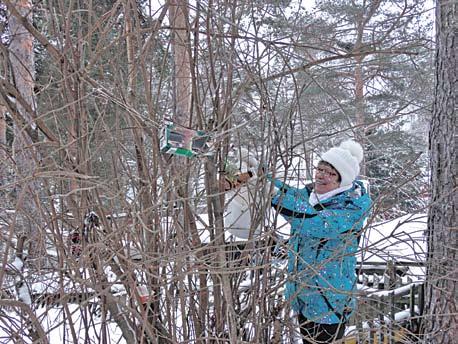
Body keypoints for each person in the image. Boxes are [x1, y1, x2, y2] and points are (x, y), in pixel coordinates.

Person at [270, 140, 372, 343]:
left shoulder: (351, 208)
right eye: (320, 169)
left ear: (342, 181)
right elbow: (289, 193)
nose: (321, 176)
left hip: (329, 302)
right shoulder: (312, 196)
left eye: (330, 173)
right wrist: (258, 175)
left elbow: (314, 223)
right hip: (303, 296)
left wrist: (272, 195)